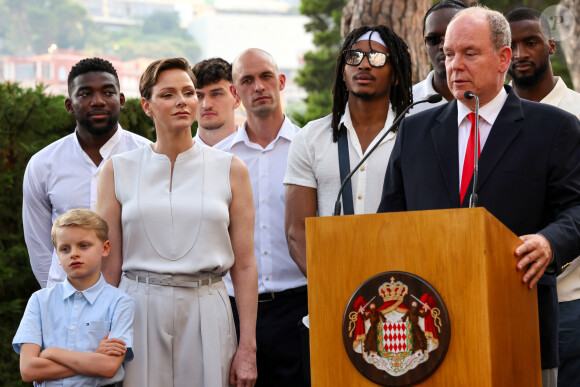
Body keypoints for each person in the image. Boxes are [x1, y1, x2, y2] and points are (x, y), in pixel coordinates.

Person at [377, 6, 580, 387]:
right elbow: (390, 218)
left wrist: (549, 242)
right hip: (427, 330)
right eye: (449, 53)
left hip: (519, 323)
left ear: (504, 58)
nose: (453, 64)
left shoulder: (552, 128)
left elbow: (576, 208)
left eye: (469, 53)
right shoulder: (415, 130)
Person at [96, 57, 258, 387]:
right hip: (136, 308)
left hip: (206, 308)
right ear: (146, 106)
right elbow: (108, 263)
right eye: (168, 94)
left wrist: (247, 349)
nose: (182, 101)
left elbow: (244, 266)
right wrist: (101, 332)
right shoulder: (117, 170)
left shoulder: (231, 169)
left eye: (188, 92)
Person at [284, 25, 412, 276]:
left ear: (396, 74)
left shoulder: (415, 136)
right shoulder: (311, 138)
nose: (364, 65)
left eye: (377, 58)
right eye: (354, 57)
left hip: (399, 293)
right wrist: (330, 286)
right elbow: (297, 232)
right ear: (343, 71)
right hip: (332, 289)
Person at [22, 57, 149, 289]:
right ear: (69, 105)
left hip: (133, 300)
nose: (98, 101)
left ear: (121, 100)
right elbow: (39, 247)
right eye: (85, 94)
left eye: (108, 92)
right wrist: (58, 299)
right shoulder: (42, 164)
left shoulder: (149, 157)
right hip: (67, 304)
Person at [222, 48, 307, 387]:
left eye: (266, 76)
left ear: (281, 81)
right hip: (233, 311)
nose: (258, 86)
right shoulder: (220, 159)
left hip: (298, 304)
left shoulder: (309, 147)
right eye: (247, 80)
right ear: (235, 93)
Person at [506, 8, 580, 387]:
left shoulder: (578, 113)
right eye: (511, 45)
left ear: (550, 46)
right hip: (502, 303)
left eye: (530, 42)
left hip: (570, 302)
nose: (520, 53)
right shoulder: (488, 122)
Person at [13, 209, 134, 387]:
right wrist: (93, 359)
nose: (74, 254)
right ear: (58, 257)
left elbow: (108, 367)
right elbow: (28, 370)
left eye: (84, 245)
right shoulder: (40, 301)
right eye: (65, 249)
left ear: (105, 248)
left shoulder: (120, 302)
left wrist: (52, 352)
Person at [409, 0, 468, 115]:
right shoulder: (406, 105)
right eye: (434, 39)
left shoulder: (495, 99)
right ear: (425, 44)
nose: (443, 46)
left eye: (453, 37)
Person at [192, 57, 241, 147]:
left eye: (217, 94)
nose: (206, 105)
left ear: (237, 98)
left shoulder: (258, 154)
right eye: (198, 96)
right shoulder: (177, 157)